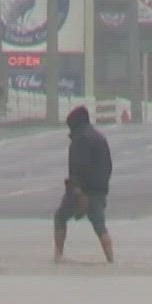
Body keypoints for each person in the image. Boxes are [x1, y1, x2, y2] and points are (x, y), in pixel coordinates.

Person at [56, 105, 114, 263]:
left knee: (60, 218)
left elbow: (77, 167)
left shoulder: (80, 139)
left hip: (82, 190)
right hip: (99, 190)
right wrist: (103, 188)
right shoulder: (100, 138)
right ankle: (111, 260)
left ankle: (58, 256)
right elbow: (108, 166)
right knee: (100, 226)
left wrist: (78, 191)